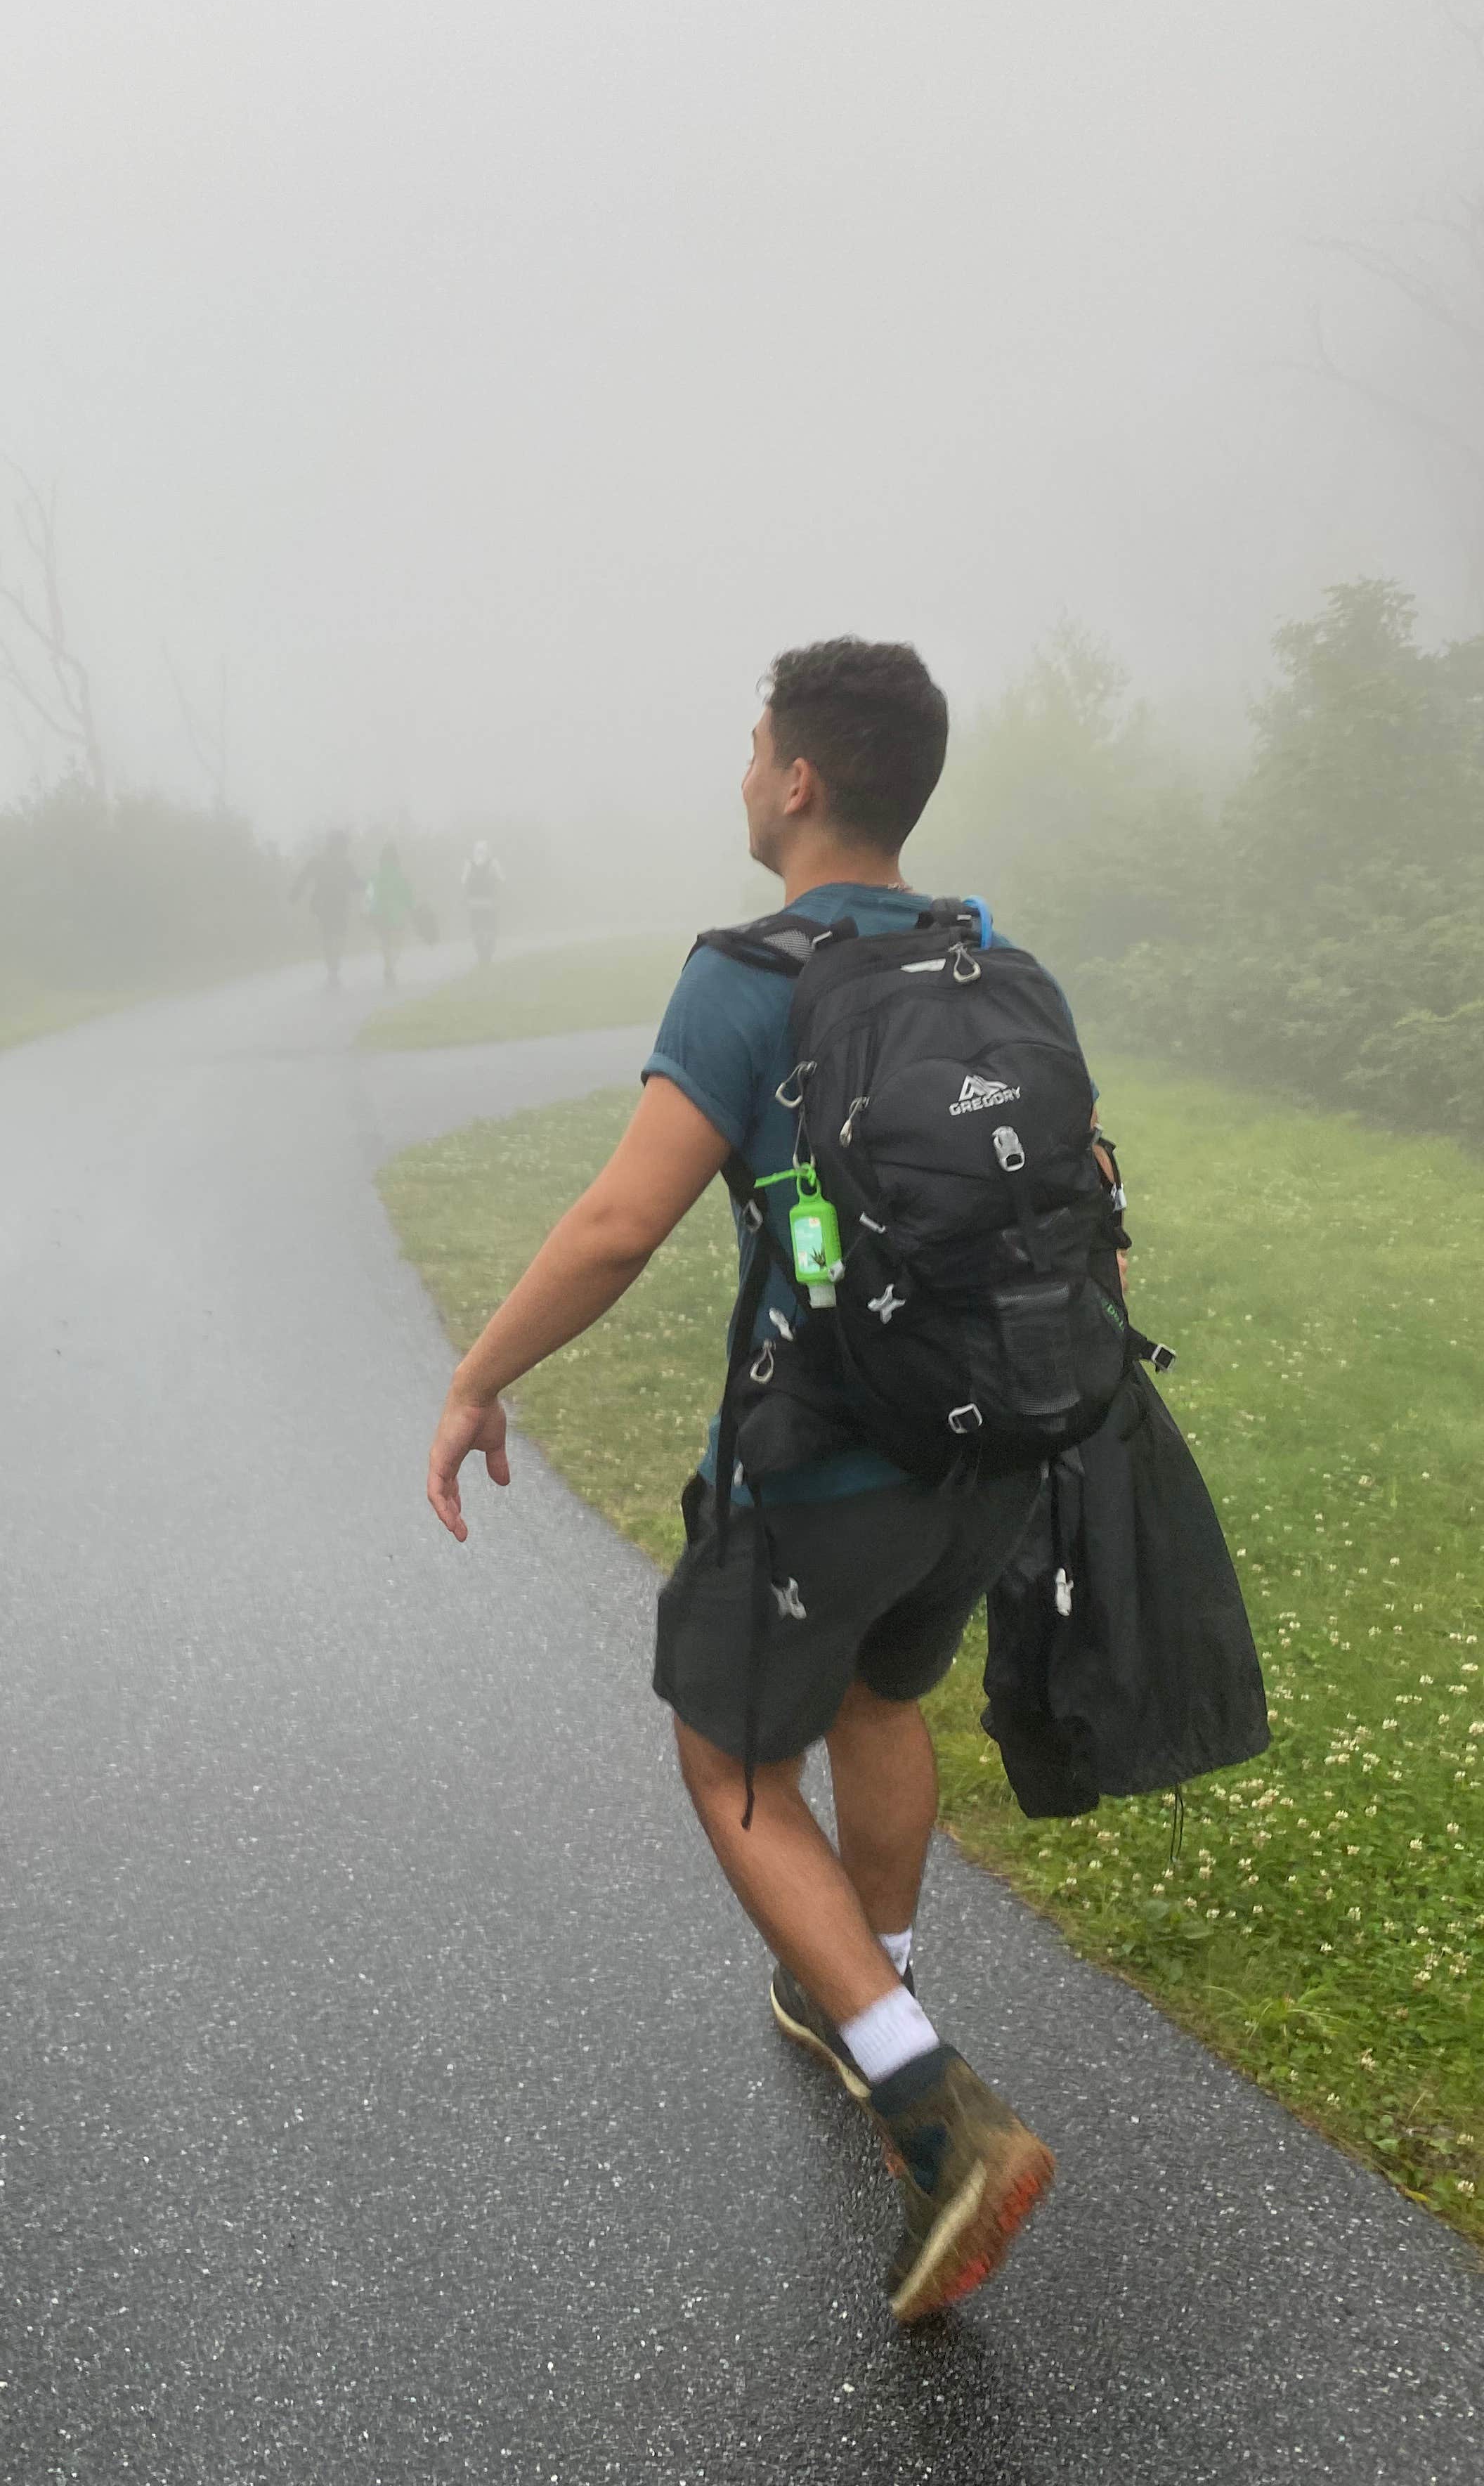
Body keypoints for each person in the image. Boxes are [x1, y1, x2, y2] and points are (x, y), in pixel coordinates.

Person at [424, 638, 1062, 2324]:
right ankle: (866, 1989)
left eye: (752, 745)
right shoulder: (978, 946)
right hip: (979, 1448)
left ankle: (934, 2108)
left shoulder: (743, 972)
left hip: (823, 1455)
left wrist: (482, 1374)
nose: (741, 768)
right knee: (878, 1694)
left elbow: (624, 1221)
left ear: (794, 781)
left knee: (729, 1762)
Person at [292, 828, 362, 988]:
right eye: (344, 845)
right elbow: (355, 883)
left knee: (328, 936)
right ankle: (334, 967)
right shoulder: (345, 864)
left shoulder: (319, 861)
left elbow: (304, 876)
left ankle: (332, 968)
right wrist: (367, 886)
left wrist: (295, 893)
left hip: (323, 906)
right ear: (342, 845)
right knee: (338, 937)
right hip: (338, 906)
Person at [365, 839, 416, 988]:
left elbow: (369, 896)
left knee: (385, 941)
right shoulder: (401, 877)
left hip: (379, 914)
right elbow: (407, 897)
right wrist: (411, 910)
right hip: (396, 915)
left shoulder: (375, 877)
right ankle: (390, 967)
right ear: (397, 859)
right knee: (397, 943)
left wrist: (367, 912)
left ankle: (388, 965)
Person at [460, 840, 504, 967]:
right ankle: (488, 953)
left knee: (476, 929)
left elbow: (463, 882)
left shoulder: (469, 863)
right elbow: (502, 879)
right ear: (488, 850)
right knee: (491, 928)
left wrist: (464, 899)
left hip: (473, 903)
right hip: (490, 902)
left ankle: (481, 953)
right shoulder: (493, 862)